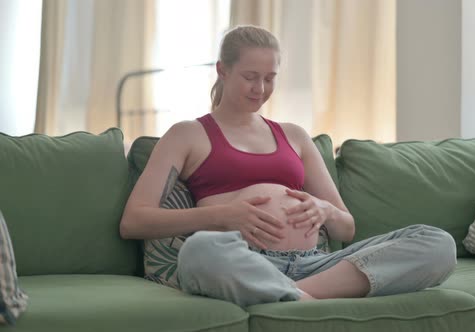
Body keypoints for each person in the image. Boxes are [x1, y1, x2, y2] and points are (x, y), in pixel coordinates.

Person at [120, 25, 456, 307]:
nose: (261, 89)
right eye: (250, 77)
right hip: (241, 260)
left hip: (316, 266)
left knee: (437, 243)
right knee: (198, 251)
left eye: (270, 78)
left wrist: (324, 211)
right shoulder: (188, 134)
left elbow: (346, 228)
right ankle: (289, 294)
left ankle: (296, 297)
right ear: (222, 70)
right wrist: (221, 217)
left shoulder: (294, 136)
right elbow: (133, 221)